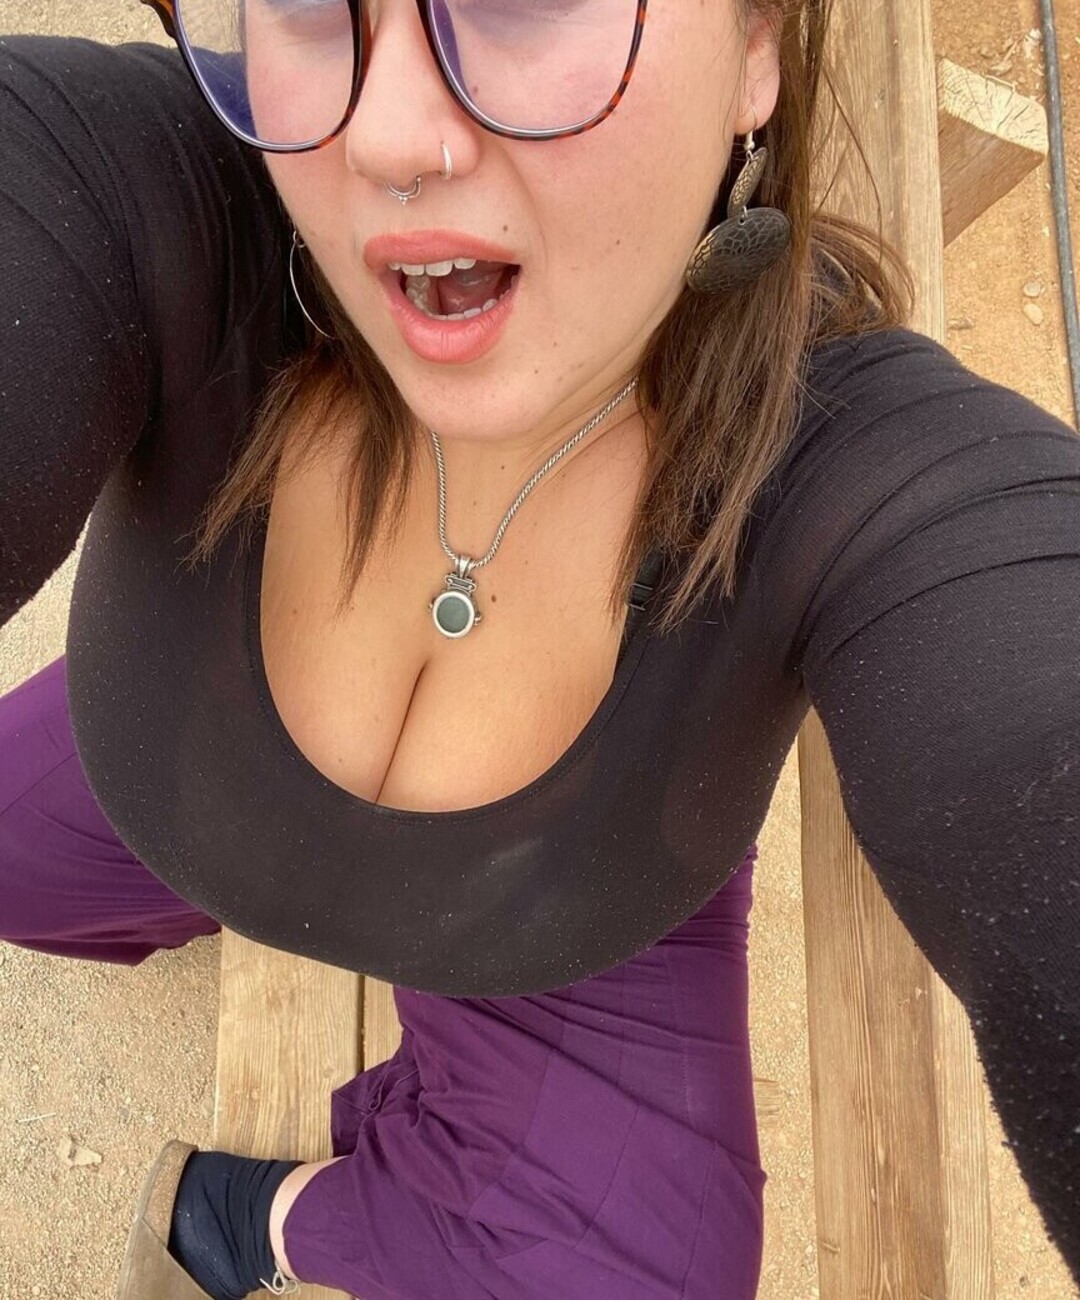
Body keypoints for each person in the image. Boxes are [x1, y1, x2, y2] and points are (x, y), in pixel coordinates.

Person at [1, 0, 1077, 1295]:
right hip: (183, 803)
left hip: (568, 933)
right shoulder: (153, 197)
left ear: (756, 49)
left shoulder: (874, 480)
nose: (388, 137)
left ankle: (266, 1217)